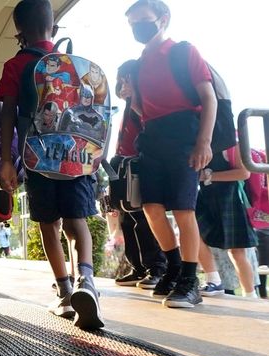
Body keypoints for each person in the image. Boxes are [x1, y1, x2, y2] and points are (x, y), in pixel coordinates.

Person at [0, 0, 103, 329]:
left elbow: (8, 114)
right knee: (77, 222)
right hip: (75, 156)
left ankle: (65, 292)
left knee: (48, 224)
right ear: (53, 29)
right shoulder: (75, 65)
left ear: (19, 33)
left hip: (38, 157)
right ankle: (87, 279)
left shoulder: (16, 65)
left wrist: (5, 160)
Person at [126, 0, 216, 308]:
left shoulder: (183, 52)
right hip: (152, 137)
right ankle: (174, 267)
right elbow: (143, 111)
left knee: (182, 209)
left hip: (184, 134)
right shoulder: (138, 63)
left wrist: (204, 142)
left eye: (143, 20)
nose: (138, 28)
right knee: (151, 208)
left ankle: (191, 280)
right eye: (132, 23)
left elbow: (209, 97)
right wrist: (132, 98)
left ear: (163, 19)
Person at [111, 60, 167, 289]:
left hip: (140, 166)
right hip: (124, 166)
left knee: (143, 219)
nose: (122, 84)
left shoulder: (145, 102)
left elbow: (150, 126)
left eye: (126, 79)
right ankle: (138, 267)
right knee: (126, 217)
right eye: (120, 80)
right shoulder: (125, 107)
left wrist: (134, 100)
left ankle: (157, 268)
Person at [196, 145, 258, 298]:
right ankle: (214, 280)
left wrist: (208, 175)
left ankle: (250, 295)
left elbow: (244, 173)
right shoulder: (194, 142)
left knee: (237, 251)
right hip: (205, 200)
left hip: (230, 201)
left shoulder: (231, 143)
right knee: (193, 237)